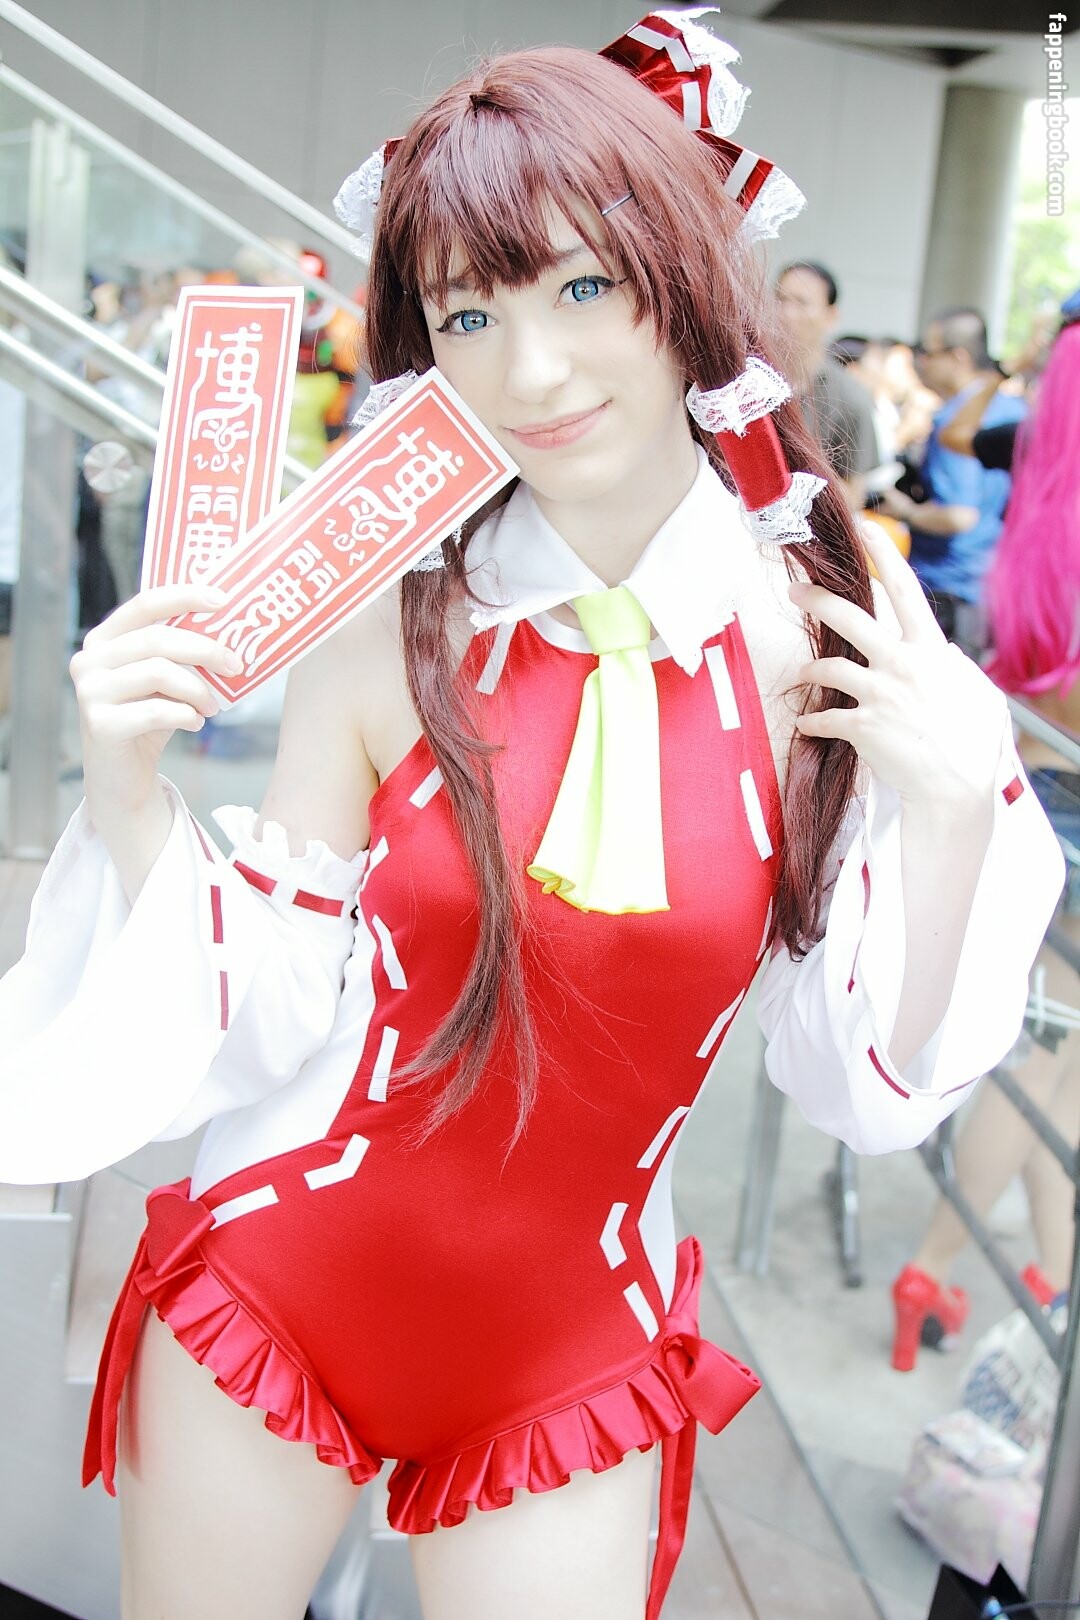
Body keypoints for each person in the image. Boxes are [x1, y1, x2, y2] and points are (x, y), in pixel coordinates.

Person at [0, 15, 1063, 1620]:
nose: (533, 371)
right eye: (469, 313)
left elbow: (862, 1089)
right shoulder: (398, 616)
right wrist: (133, 788)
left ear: (685, 278)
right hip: (280, 1292)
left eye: (583, 286)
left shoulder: (822, 638)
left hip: (573, 1356)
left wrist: (954, 817)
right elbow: (273, 1007)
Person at [891, 316, 1080, 1371]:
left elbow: (966, 435)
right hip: (1071, 810)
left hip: (1037, 790)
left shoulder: (1041, 489)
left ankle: (1049, 1273)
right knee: (1051, 1068)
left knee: (1056, 1065)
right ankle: (931, 1263)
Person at [878, 308, 1026, 653]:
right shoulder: (1015, 412)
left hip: (947, 590)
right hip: (991, 588)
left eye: (928, 352)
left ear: (958, 357)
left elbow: (959, 516)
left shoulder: (956, 421)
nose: (922, 362)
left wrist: (906, 511)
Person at [774, 261, 879, 511]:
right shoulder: (745, 375)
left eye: (801, 303)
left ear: (831, 316)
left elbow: (852, 496)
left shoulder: (851, 397)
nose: (786, 313)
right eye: (780, 299)